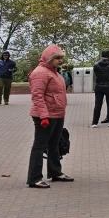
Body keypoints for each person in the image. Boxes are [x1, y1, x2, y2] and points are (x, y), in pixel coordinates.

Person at [27, 44, 71, 188]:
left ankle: (55, 172)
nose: (60, 60)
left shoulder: (55, 72)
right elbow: (37, 96)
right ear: (49, 58)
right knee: (39, 146)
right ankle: (34, 178)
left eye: (61, 58)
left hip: (57, 113)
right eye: (57, 58)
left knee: (54, 144)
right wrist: (44, 116)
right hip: (45, 115)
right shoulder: (40, 73)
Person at [91, 50, 109, 127]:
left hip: (98, 86)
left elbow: (96, 74)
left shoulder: (96, 64)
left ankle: (94, 122)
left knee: (97, 104)